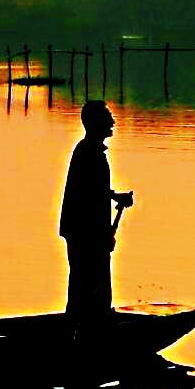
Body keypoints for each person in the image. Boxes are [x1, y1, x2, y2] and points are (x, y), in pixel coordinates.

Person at [60, 100, 132, 337]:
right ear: (92, 123)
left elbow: (94, 190)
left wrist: (114, 196)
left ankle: (86, 334)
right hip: (85, 235)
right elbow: (86, 198)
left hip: (88, 234)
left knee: (96, 292)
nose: (112, 122)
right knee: (85, 290)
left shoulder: (91, 151)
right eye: (107, 118)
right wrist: (102, 237)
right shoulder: (88, 152)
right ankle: (74, 339)